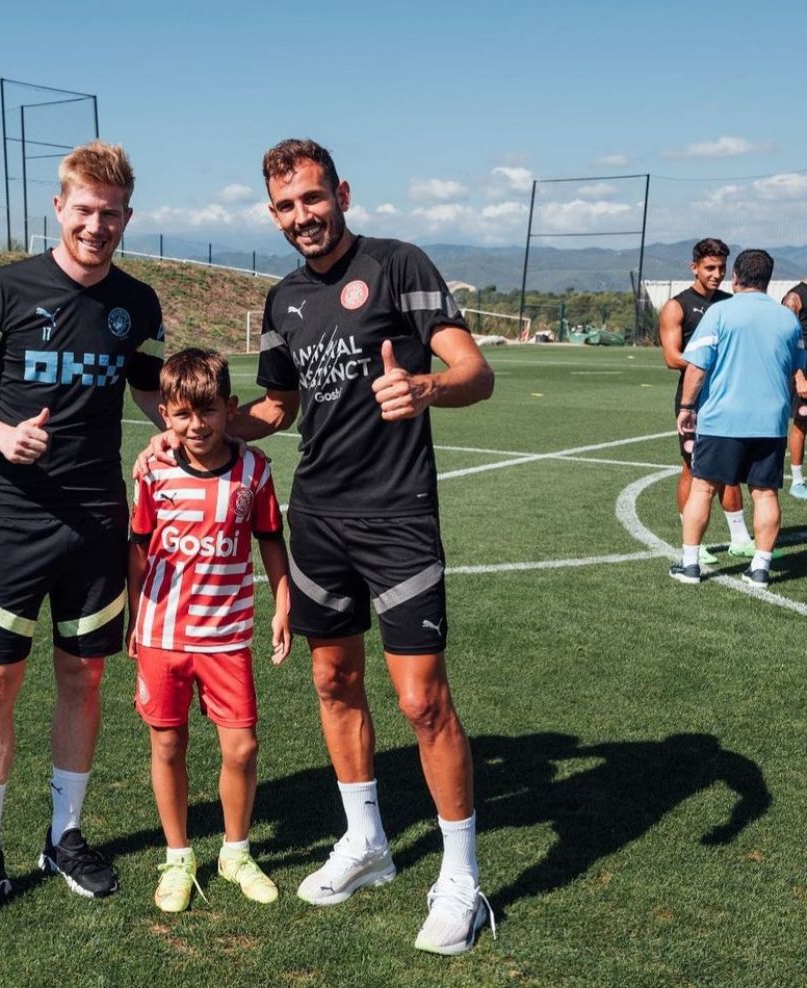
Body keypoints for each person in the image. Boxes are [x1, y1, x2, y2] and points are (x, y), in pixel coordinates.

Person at [136, 139, 496, 955]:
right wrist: (193, 435)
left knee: (421, 700)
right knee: (334, 681)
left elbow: (476, 371)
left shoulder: (400, 265)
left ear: (340, 191)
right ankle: (366, 843)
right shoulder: (284, 299)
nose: (303, 216)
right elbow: (278, 408)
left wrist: (427, 387)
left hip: (398, 516)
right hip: (320, 518)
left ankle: (461, 879)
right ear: (272, 214)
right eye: (286, 206)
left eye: (312, 198)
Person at [0, 141, 166, 932]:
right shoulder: (3, 289)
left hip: (98, 521)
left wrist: (183, 440)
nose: (96, 225)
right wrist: (1, 436)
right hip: (12, 517)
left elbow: (151, 396)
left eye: (111, 213)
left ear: (126, 218)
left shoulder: (139, 303)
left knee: (84, 679)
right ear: (59, 208)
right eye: (84, 210)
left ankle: (64, 836)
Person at [127, 348, 291, 913]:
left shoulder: (255, 469)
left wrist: (282, 601)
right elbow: (140, 547)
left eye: (209, 412)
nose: (197, 426)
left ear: (230, 408)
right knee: (168, 743)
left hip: (226, 637)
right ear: (165, 416)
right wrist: (133, 618)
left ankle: (236, 851)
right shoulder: (152, 470)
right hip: (163, 635)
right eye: (181, 415)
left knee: (241, 746)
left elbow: (271, 538)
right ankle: (177, 856)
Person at [669, 249, 805, 587]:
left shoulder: (718, 313)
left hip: (721, 419)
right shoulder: (787, 318)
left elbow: (697, 367)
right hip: (770, 422)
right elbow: (795, 367)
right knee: (765, 493)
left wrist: (686, 409)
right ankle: (760, 568)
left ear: (736, 277)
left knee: (702, 487)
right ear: (768, 280)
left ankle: (690, 565)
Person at [658, 239, 756, 563]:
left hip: (730, 398)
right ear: (694, 267)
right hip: (694, 399)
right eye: (709, 268)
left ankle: (740, 538)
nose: (716, 274)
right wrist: (712, 361)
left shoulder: (731, 303)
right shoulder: (678, 306)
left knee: (732, 467)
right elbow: (672, 357)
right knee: (693, 468)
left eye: (721, 268)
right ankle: (693, 540)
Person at [779, 279, 807, 499]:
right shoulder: (794, 297)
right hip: (803, 370)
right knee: (802, 424)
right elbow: (787, 337)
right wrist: (799, 377)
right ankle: (797, 481)